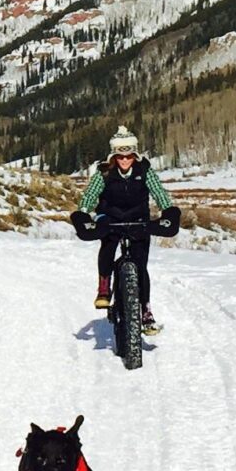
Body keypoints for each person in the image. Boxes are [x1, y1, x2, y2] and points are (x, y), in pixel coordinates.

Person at [71, 126, 178, 330]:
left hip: (138, 219)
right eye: (120, 156)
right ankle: (104, 285)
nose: (125, 160)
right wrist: (83, 212)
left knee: (140, 264)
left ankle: (145, 310)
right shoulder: (104, 173)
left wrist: (168, 211)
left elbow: (159, 193)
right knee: (108, 244)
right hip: (109, 217)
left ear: (134, 155)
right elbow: (90, 195)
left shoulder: (144, 171)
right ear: (114, 156)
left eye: (129, 156)